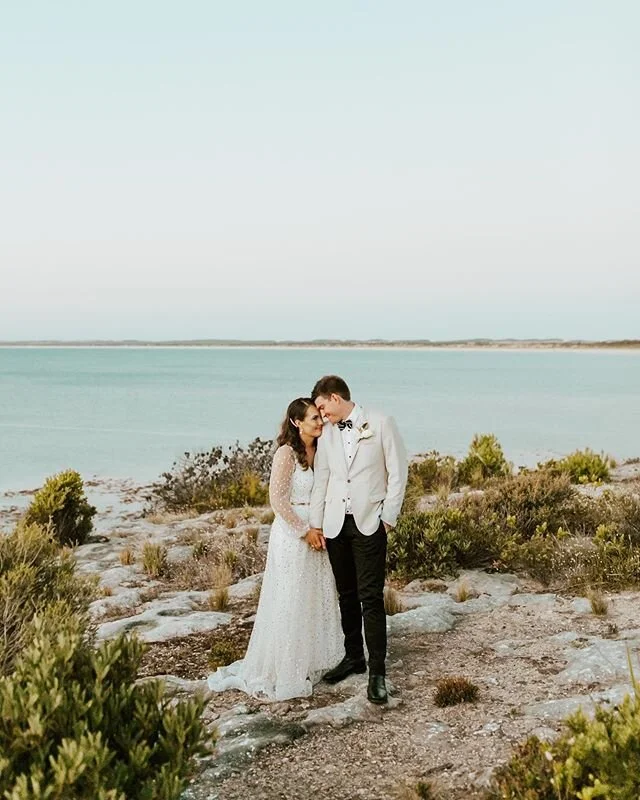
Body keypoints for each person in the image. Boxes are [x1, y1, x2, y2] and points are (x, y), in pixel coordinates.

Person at [207, 398, 343, 700]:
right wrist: (304, 531)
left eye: (320, 417)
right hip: (294, 534)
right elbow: (278, 500)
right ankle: (285, 666)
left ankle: (313, 659)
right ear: (297, 422)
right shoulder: (286, 453)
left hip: (320, 530)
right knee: (291, 596)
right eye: (313, 418)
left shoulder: (322, 449)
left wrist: (323, 526)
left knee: (315, 595)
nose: (320, 422)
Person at [309, 376, 408, 704]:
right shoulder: (327, 434)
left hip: (370, 523)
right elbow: (322, 478)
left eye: (323, 407)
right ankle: (354, 657)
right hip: (335, 524)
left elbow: (398, 473)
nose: (322, 415)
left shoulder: (381, 423)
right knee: (346, 595)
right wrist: (316, 523)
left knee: (371, 598)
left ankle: (377, 673)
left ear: (335, 398)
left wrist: (388, 518)